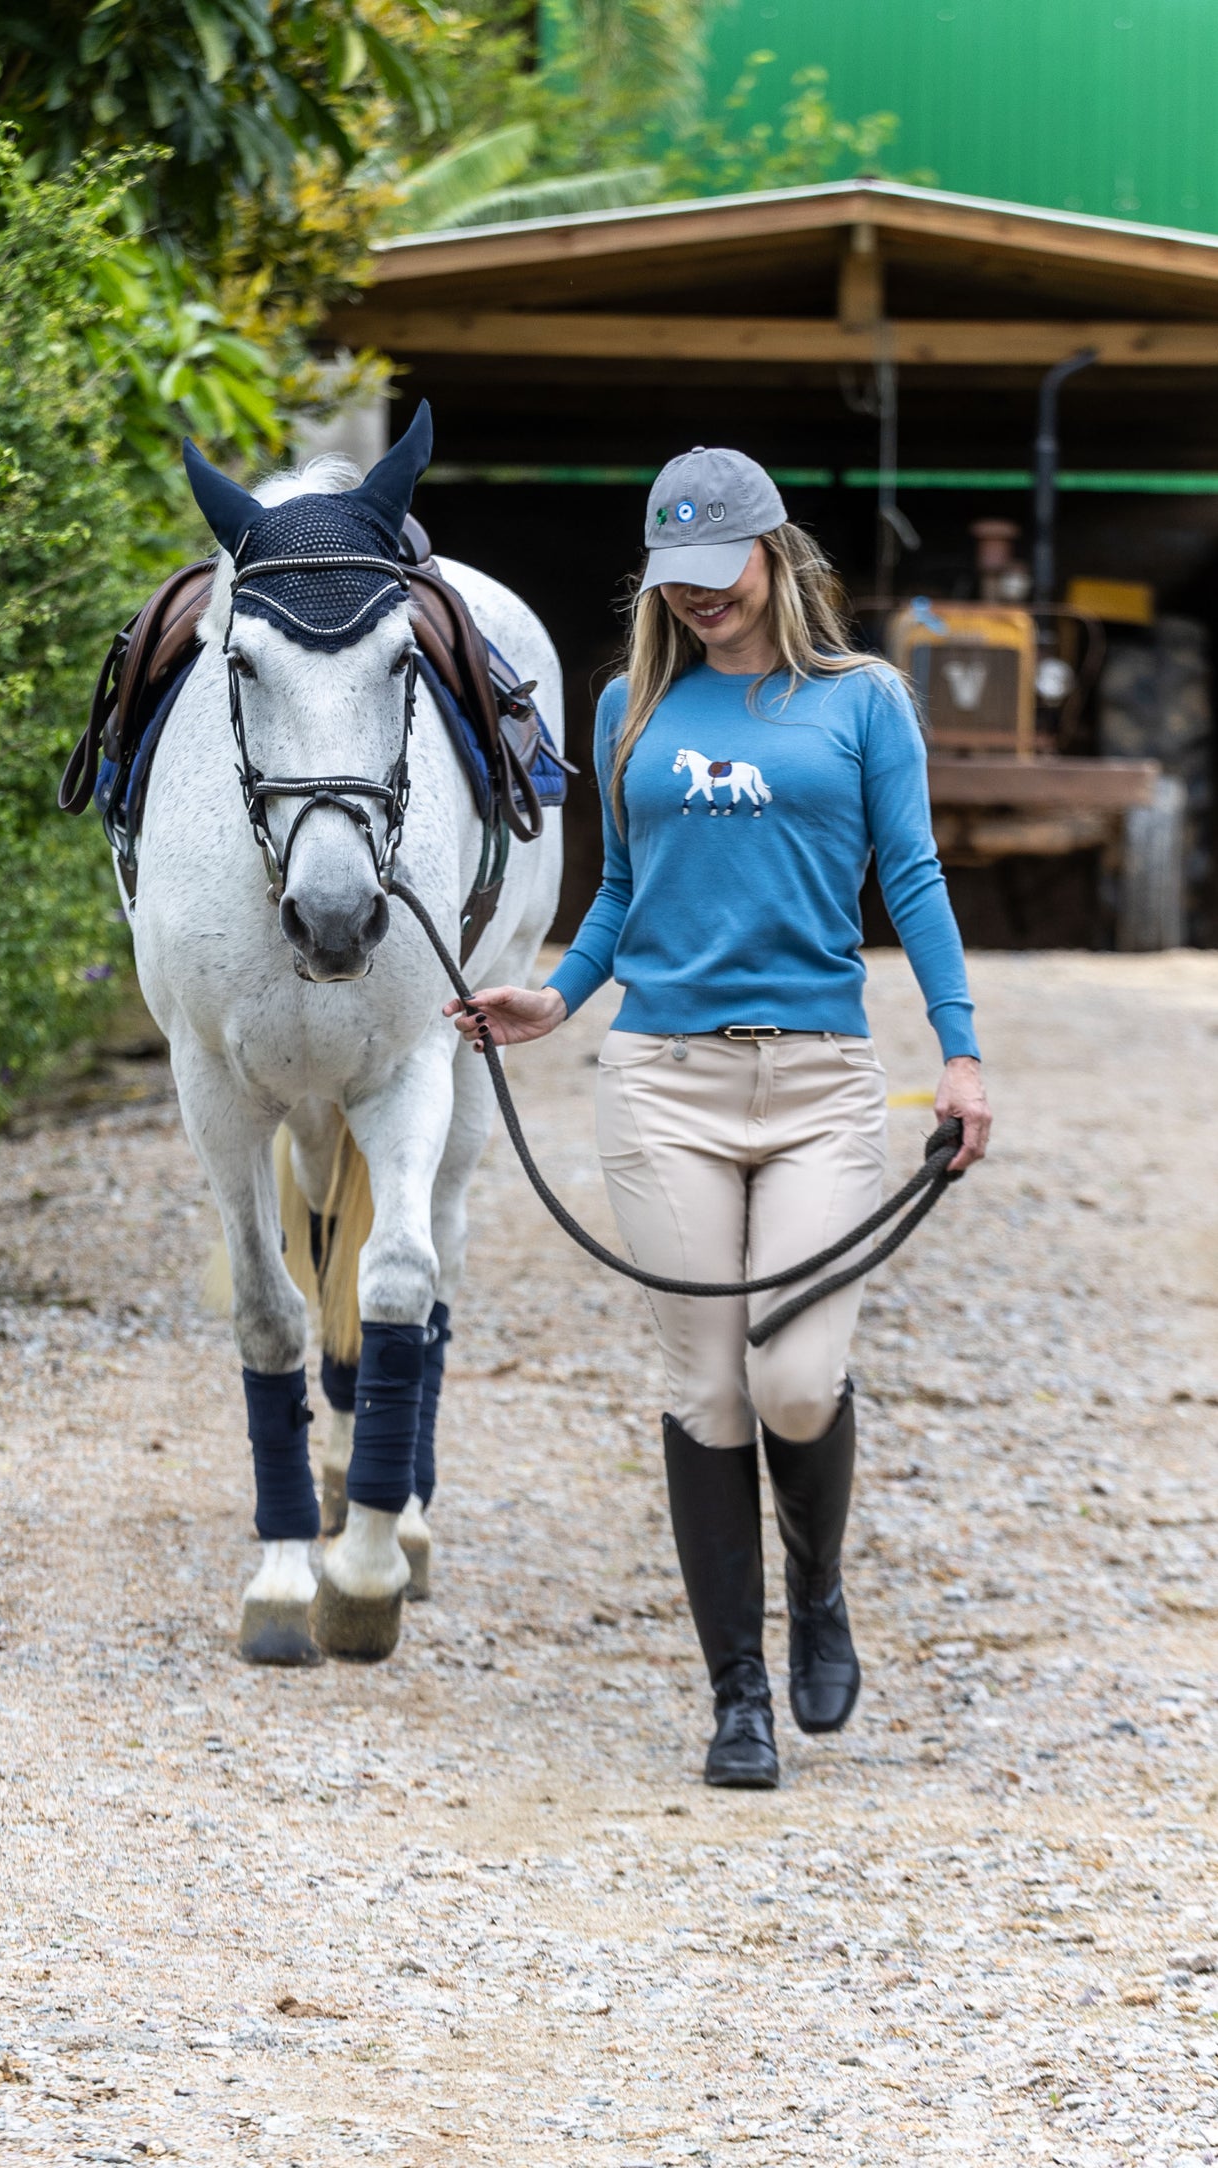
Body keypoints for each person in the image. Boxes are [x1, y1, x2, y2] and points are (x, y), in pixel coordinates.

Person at [447, 447, 991, 1790]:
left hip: (817, 1080)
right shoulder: (632, 704)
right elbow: (621, 886)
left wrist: (961, 1055)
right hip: (661, 1084)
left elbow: (910, 880)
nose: (698, 598)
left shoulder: (861, 703)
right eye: (673, 578)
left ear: (772, 554)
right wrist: (558, 997)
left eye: (717, 573)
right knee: (704, 1391)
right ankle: (733, 1697)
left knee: (795, 1380)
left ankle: (816, 1593)